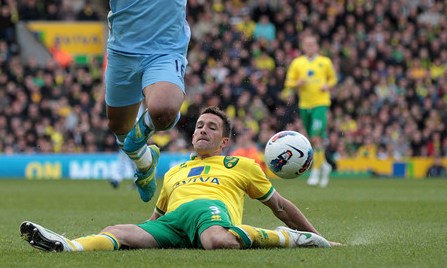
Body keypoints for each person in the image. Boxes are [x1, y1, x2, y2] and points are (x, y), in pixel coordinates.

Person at [54, 0, 308, 202]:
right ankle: (145, 161)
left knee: (163, 110)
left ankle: (137, 143)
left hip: (166, 49)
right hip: (123, 52)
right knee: (118, 125)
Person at [21, 106, 340, 252]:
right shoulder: (174, 171)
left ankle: (289, 238)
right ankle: (68, 246)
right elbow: (155, 219)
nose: (203, 129)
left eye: (212, 127)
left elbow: (280, 206)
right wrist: (140, 234)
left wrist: (318, 235)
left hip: (211, 213)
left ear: (224, 141)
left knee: (215, 240)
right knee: (117, 231)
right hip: (174, 223)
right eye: (200, 125)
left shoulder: (241, 164)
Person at [284, 35, 337, 187]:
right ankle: (325, 165)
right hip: (304, 104)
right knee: (312, 137)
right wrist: (296, 83)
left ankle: (316, 170)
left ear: (317, 46)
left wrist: (328, 85)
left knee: (315, 136)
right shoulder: (297, 63)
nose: (310, 46)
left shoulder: (325, 62)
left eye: (312, 43)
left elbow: (333, 78)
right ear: (303, 46)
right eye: (307, 44)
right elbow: (288, 82)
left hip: (320, 103)